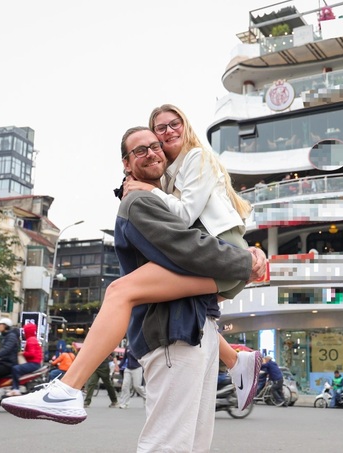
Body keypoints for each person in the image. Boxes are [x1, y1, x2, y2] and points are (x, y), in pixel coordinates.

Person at [3, 126, 265, 451]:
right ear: (126, 164)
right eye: (140, 150)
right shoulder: (139, 201)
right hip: (172, 331)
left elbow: (200, 244)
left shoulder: (171, 201)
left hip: (193, 328)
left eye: (156, 147)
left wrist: (246, 258)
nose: (152, 152)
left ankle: (68, 389)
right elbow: (188, 248)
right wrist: (244, 262)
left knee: (187, 445)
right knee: (169, 444)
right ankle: (67, 389)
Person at [122, 103, 263, 410]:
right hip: (216, 253)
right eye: (162, 128)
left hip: (221, 251)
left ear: (185, 127)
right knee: (192, 307)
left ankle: (70, 385)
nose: (169, 131)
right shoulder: (172, 173)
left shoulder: (196, 157)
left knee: (123, 291)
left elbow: (184, 216)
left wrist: (146, 190)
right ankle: (238, 361)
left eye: (175, 124)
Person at [7, 322, 42, 397]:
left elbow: (31, 354)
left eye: (24, 331)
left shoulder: (30, 340)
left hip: (33, 363)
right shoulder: (33, 339)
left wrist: (22, 353)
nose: (23, 333)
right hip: (34, 363)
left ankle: (15, 388)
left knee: (15, 369)